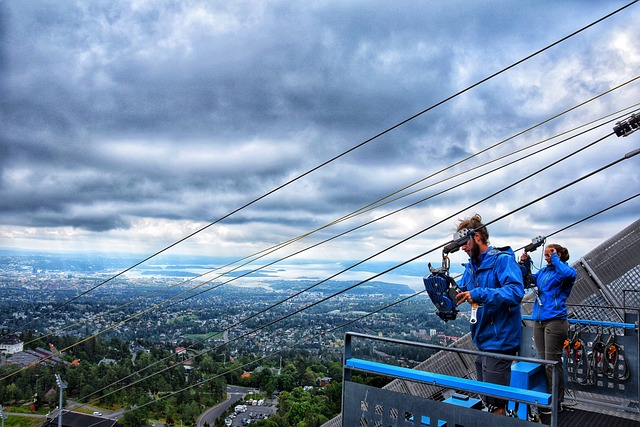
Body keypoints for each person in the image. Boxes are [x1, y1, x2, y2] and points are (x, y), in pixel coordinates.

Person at [454, 214, 525, 415]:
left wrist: (478, 294)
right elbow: (464, 290)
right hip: (483, 339)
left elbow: (515, 292)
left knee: (496, 403)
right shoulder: (472, 267)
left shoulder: (502, 261)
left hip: (500, 340)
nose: (463, 248)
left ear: (476, 237)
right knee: (487, 398)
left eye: (464, 242)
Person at [520, 244, 576, 410]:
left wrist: (555, 258)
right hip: (539, 320)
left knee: (552, 363)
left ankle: (556, 402)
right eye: (545, 255)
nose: (546, 258)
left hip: (555, 321)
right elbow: (529, 280)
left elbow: (566, 274)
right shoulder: (544, 272)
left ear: (558, 255)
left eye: (548, 255)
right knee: (545, 362)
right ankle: (549, 398)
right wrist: (526, 263)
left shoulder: (566, 271)